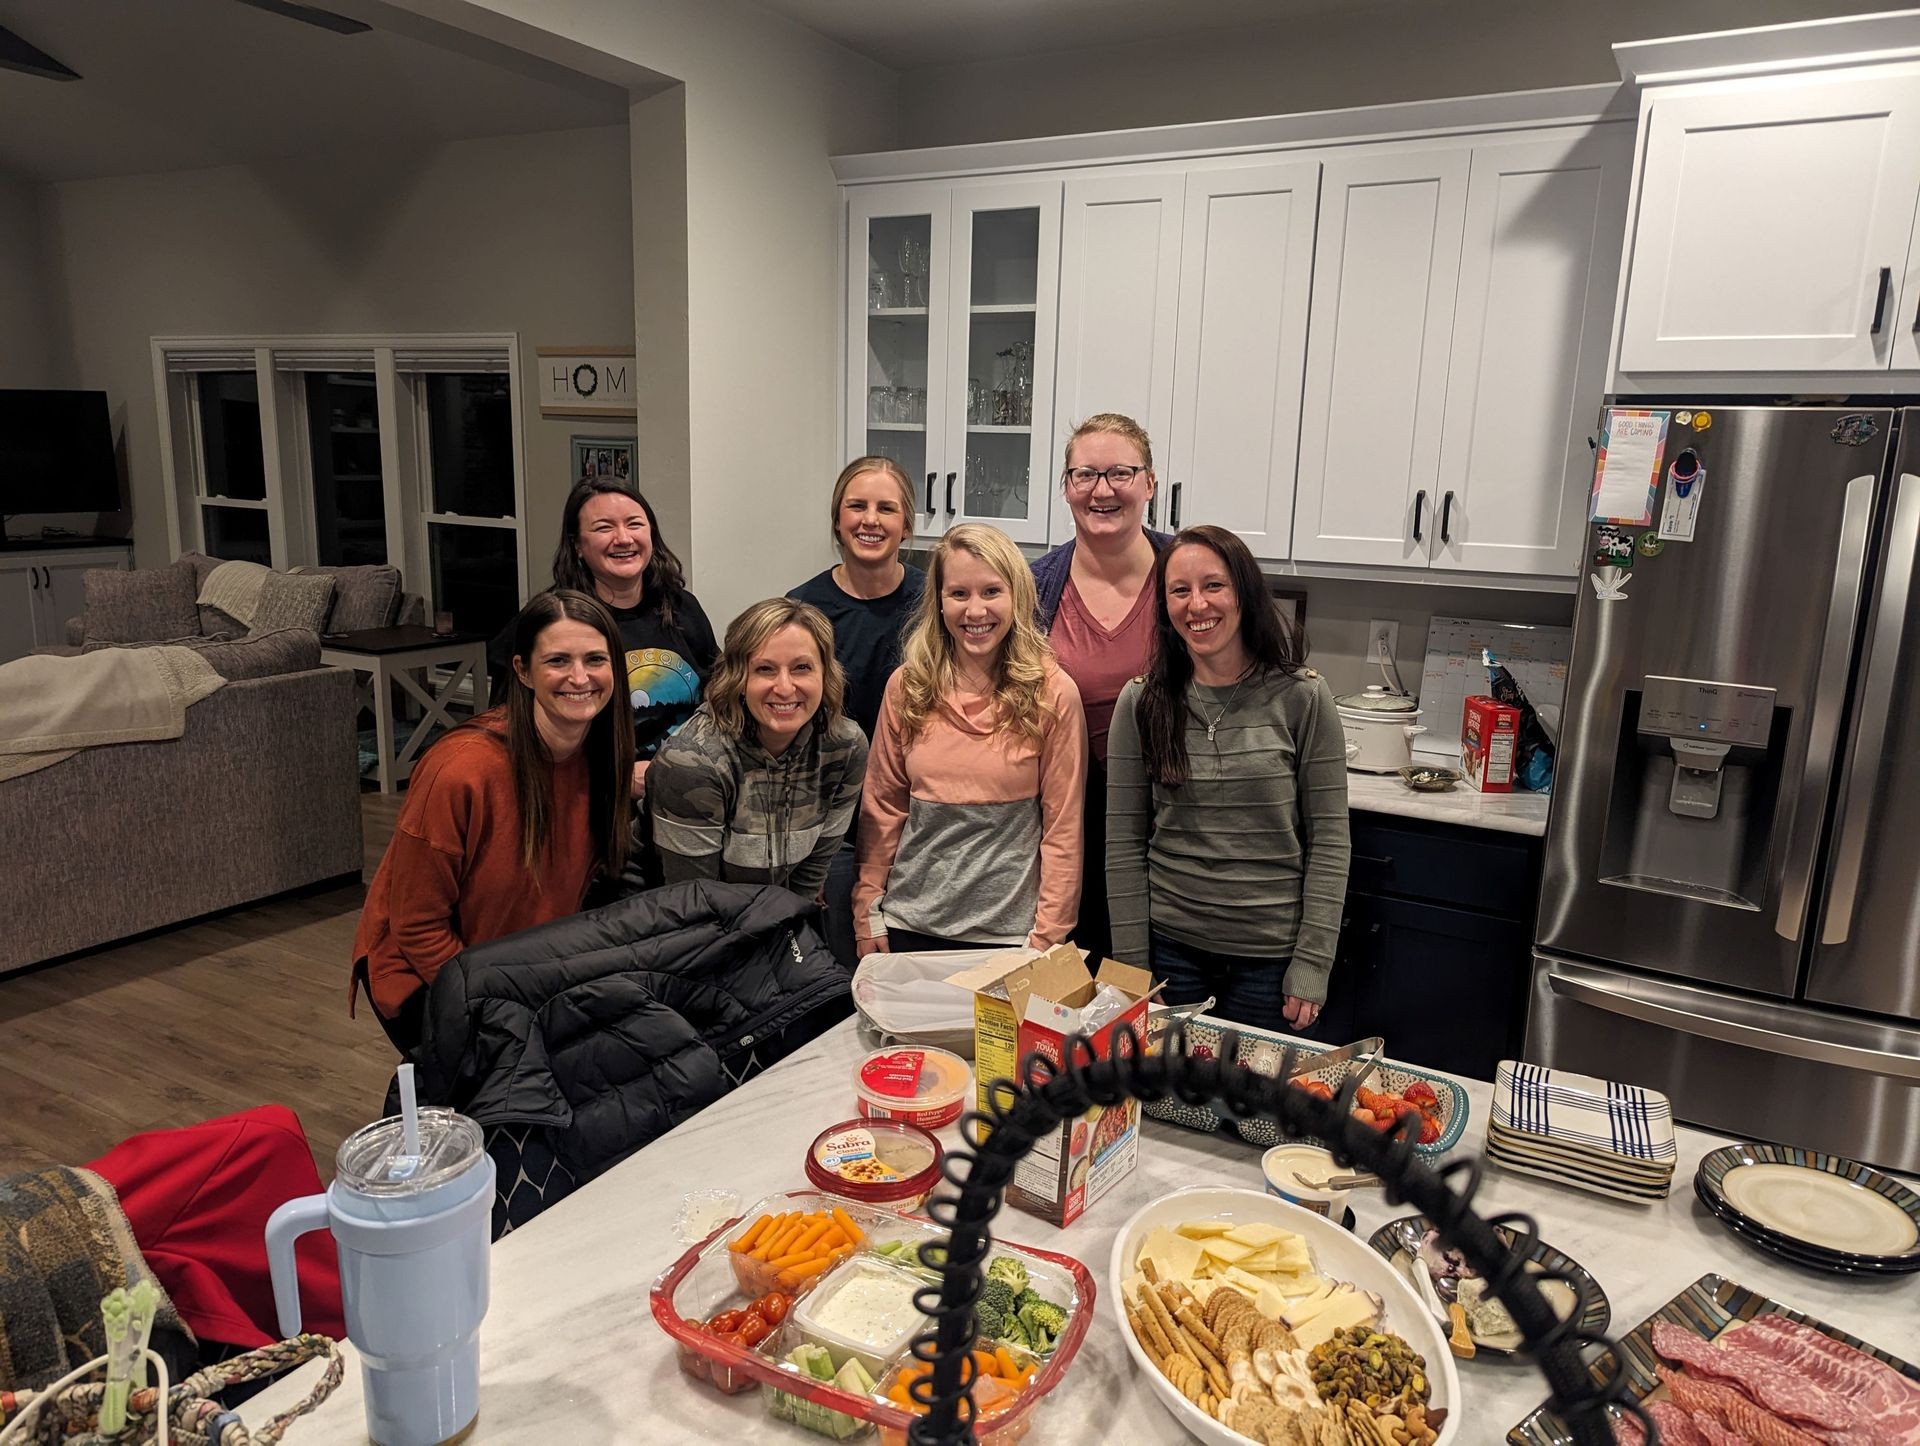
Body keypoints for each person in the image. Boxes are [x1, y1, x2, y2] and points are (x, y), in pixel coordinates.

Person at [353, 589, 636, 1051]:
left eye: (595, 660)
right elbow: (417, 927)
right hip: (427, 976)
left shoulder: (603, 753)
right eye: (558, 661)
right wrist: (502, 1004)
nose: (580, 677)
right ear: (523, 671)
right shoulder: (462, 769)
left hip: (521, 964)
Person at [1106, 524, 1350, 1035]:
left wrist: (1312, 964)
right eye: (1180, 590)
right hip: (1171, 953)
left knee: (1252, 1110)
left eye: (1214, 585)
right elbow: (1123, 845)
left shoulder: (1303, 697)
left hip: (1271, 960)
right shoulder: (1141, 701)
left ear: (1244, 592)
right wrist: (1131, 970)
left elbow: (1330, 841)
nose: (1197, 605)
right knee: (1165, 1107)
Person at [855, 523, 1087, 956]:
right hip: (907, 928)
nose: (975, 611)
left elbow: (1063, 829)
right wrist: (867, 911)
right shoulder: (907, 688)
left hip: (1010, 941)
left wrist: (1046, 941)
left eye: (991, 592)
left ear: (1016, 597)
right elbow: (883, 809)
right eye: (959, 594)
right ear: (939, 603)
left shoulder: (1053, 694)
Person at [1027, 413, 1171, 964]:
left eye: (1121, 473)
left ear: (1150, 484)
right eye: (1085, 475)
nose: (1102, 491)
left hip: (1167, 818)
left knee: (1153, 986)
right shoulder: (1034, 588)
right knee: (1072, 986)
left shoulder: (1188, 576)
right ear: (1066, 487)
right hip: (1066, 820)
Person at [489, 478, 718, 803]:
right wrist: (618, 776)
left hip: (689, 791)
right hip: (589, 802)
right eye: (603, 528)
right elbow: (511, 735)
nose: (623, 538)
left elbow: (717, 692)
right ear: (578, 545)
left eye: (635, 524)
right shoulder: (551, 621)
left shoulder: (681, 608)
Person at [787, 456, 927, 964]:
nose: (871, 520)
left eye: (886, 508)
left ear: (906, 524)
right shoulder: (803, 612)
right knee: (843, 976)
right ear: (837, 519)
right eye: (857, 506)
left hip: (920, 826)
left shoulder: (934, 602)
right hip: (834, 830)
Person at [649, 598, 868, 898]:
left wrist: (790, 928)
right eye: (765, 669)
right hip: (676, 920)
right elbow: (694, 900)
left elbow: (812, 875)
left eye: (802, 667)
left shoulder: (846, 747)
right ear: (739, 678)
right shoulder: (693, 761)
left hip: (769, 915)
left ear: (825, 674)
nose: (785, 688)